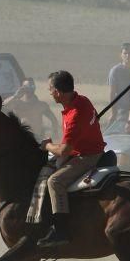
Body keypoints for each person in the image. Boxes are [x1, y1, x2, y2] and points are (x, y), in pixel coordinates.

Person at [35, 70, 106, 248]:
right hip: (82, 151)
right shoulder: (83, 100)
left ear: (58, 92)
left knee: (54, 181)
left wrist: (47, 146)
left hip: (87, 157)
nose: (49, 92)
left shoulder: (74, 114)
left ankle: (61, 231)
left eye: (50, 89)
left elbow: (65, 150)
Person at [107, 43, 130, 124]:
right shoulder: (115, 71)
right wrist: (113, 113)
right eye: (125, 53)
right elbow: (112, 93)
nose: (127, 55)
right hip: (122, 110)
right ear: (121, 55)